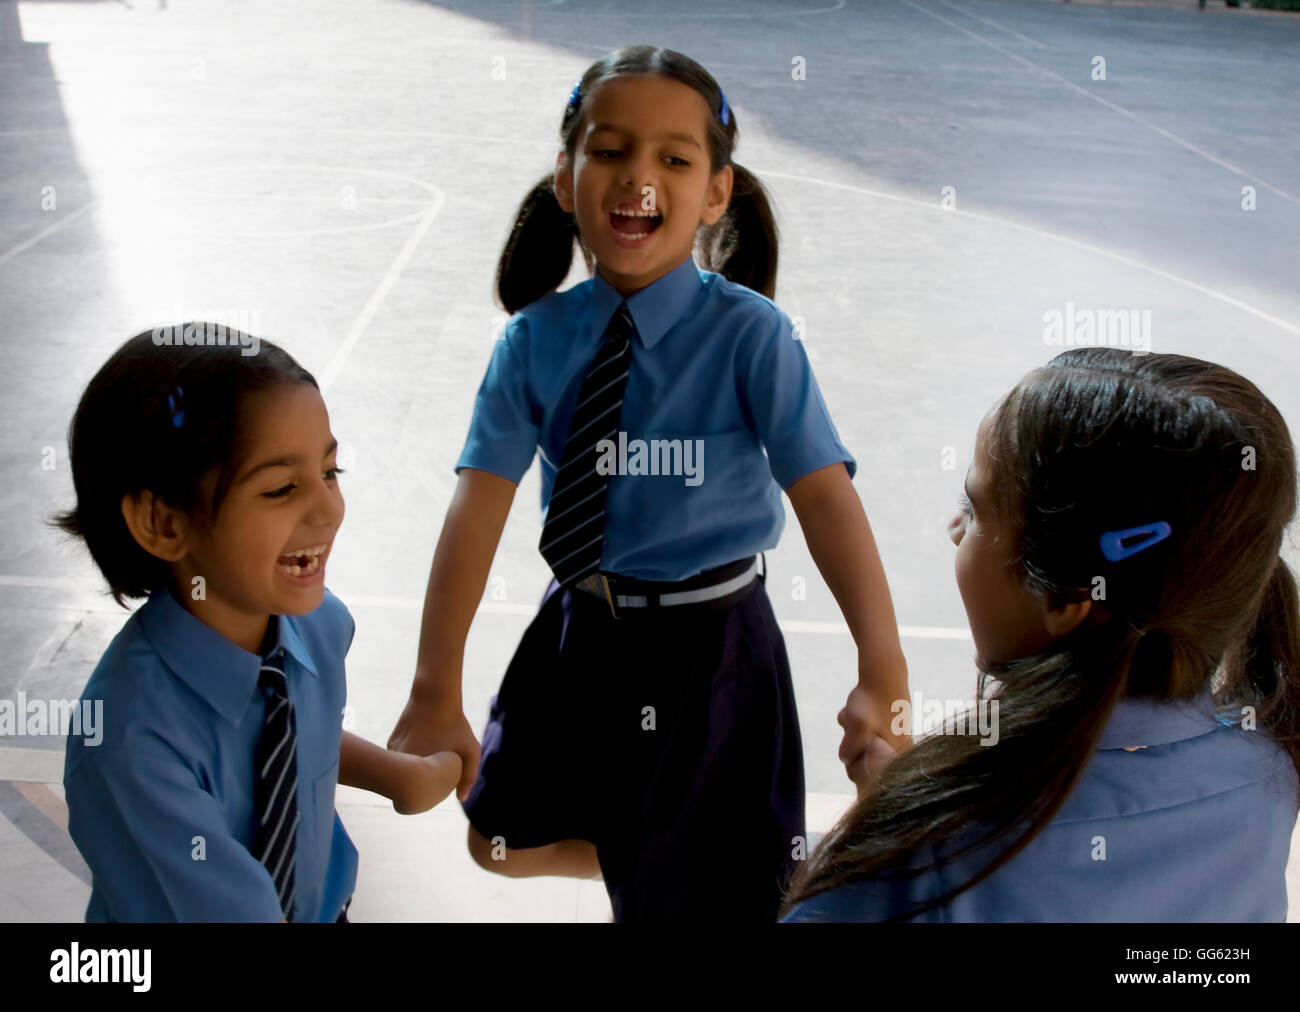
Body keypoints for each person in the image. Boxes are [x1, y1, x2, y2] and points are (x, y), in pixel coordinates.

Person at [387, 46, 909, 922]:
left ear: (715, 192)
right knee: (497, 840)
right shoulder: (533, 341)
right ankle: (654, 855)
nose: (638, 177)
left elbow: (825, 499)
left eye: (674, 158)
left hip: (714, 647)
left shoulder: (753, 336)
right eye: (609, 151)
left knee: (707, 897)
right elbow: (475, 509)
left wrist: (882, 668)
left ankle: (680, 866)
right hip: (581, 627)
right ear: (566, 177)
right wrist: (435, 687)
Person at [782, 348, 1300, 922]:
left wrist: (891, 823)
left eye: (975, 508)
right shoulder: (1268, 774)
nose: (956, 530)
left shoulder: (925, 862)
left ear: (1066, 598)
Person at [54, 327, 461, 922]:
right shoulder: (127, 749)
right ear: (162, 523)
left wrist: (402, 776)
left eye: (330, 471)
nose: (329, 509)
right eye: (280, 489)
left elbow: (284, 732)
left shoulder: (318, 627)